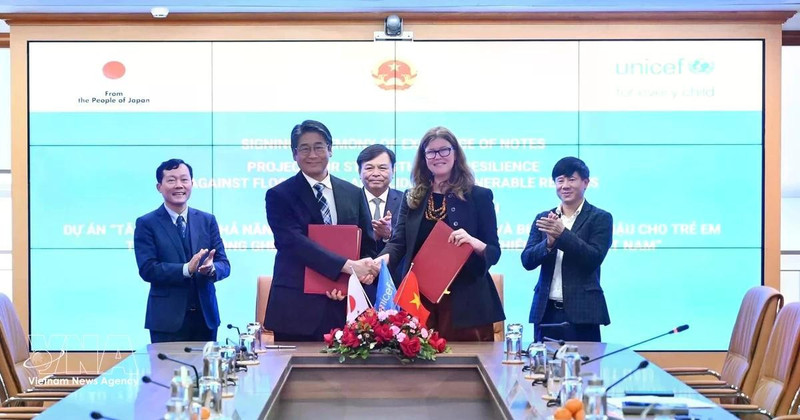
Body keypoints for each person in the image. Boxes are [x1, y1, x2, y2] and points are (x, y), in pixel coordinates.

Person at [377, 126, 504, 341]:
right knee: (418, 371)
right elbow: (398, 243)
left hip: (468, 303)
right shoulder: (412, 197)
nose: (438, 156)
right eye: (431, 152)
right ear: (423, 157)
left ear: (455, 153)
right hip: (419, 301)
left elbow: (494, 251)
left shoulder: (479, 196)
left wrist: (473, 242)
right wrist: (378, 262)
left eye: (444, 150)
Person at [264, 120, 378, 341]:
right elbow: (293, 243)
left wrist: (355, 278)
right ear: (294, 154)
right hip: (298, 309)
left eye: (319, 147)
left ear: (330, 150)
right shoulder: (279, 195)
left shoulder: (353, 193)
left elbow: (367, 244)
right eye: (304, 148)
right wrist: (347, 267)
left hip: (346, 307)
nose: (312, 154)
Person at [134, 158, 231, 343]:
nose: (179, 185)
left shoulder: (207, 220)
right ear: (159, 187)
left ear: (192, 184)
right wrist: (186, 269)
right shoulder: (147, 223)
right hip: (166, 321)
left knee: (206, 372)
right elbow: (148, 269)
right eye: (171, 180)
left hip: (206, 318)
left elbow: (224, 264)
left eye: (184, 180)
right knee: (167, 372)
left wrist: (211, 269)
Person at [521, 156, 613, 342]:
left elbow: (593, 259)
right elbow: (527, 261)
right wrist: (548, 243)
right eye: (560, 180)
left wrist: (563, 235)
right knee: (542, 368)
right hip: (546, 311)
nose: (565, 185)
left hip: (583, 313)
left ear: (585, 182)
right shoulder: (544, 218)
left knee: (584, 369)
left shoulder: (600, 218)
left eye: (572, 179)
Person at [357, 144, 402, 254]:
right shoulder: (349, 200)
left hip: (395, 269)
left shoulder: (405, 201)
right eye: (369, 168)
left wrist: (389, 234)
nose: (376, 174)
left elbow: (411, 240)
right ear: (359, 172)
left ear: (393, 171)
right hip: (357, 268)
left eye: (382, 168)